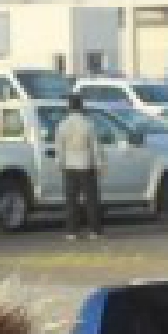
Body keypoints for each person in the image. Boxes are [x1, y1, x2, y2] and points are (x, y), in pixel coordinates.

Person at [58, 91, 105, 239]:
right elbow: (95, 147)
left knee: (71, 200)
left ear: (69, 107)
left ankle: (72, 231)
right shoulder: (88, 124)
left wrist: (60, 163)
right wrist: (100, 165)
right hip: (86, 164)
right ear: (81, 107)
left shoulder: (63, 125)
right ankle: (94, 231)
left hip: (69, 165)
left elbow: (59, 146)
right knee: (91, 199)